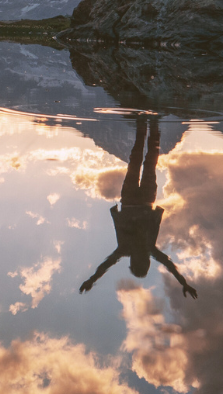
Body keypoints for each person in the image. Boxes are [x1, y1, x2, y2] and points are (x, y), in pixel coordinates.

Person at [79, 114, 197, 298]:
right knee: (140, 162)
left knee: (145, 162)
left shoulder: (136, 249)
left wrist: (92, 280)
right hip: (134, 200)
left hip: (137, 200)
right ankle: (147, 126)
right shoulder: (141, 249)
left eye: (141, 261)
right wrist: (183, 283)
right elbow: (168, 265)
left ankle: (148, 127)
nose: (141, 257)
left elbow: (106, 265)